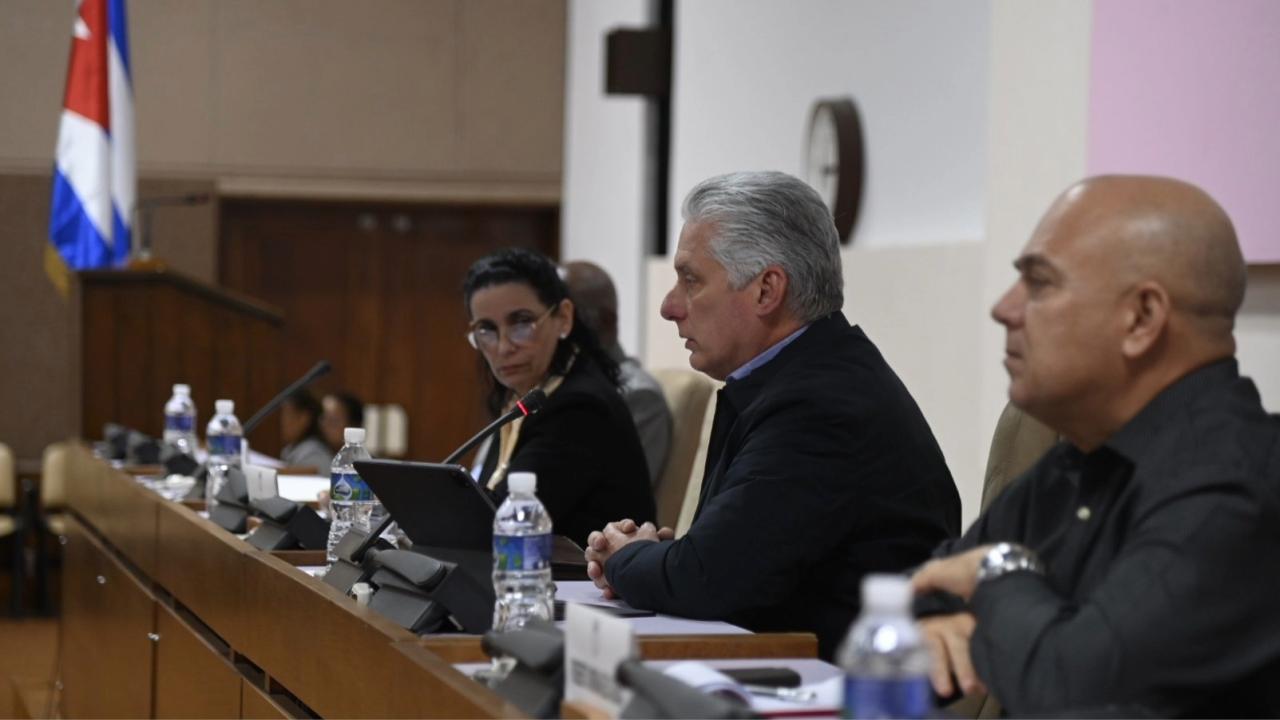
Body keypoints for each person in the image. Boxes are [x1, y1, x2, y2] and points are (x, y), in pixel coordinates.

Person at [911, 176, 1280, 717]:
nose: (1004, 308)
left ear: (1141, 318)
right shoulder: (1079, 454)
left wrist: (998, 575)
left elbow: (1072, 694)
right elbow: (919, 596)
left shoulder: (1236, 486)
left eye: (1039, 284)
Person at [583, 171, 961, 659]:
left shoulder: (822, 404)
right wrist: (657, 561)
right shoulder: (796, 378)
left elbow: (706, 580)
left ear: (766, 290)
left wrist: (626, 558)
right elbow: (719, 562)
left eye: (691, 280)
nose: (669, 306)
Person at [464, 247, 656, 547]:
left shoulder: (581, 407)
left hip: (580, 586)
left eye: (521, 323)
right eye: (486, 329)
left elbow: (500, 522)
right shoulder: (523, 394)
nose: (503, 347)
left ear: (563, 318)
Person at [564, 260, 673, 486]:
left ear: (605, 322)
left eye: (567, 316)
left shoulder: (638, 396)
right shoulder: (546, 387)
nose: (556, 329)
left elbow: (615, 496)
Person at [279, 389, 334, 471]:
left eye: (287, 414)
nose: (283, 421)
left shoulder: (314, 454)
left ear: (304, 418)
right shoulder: (289, 450)